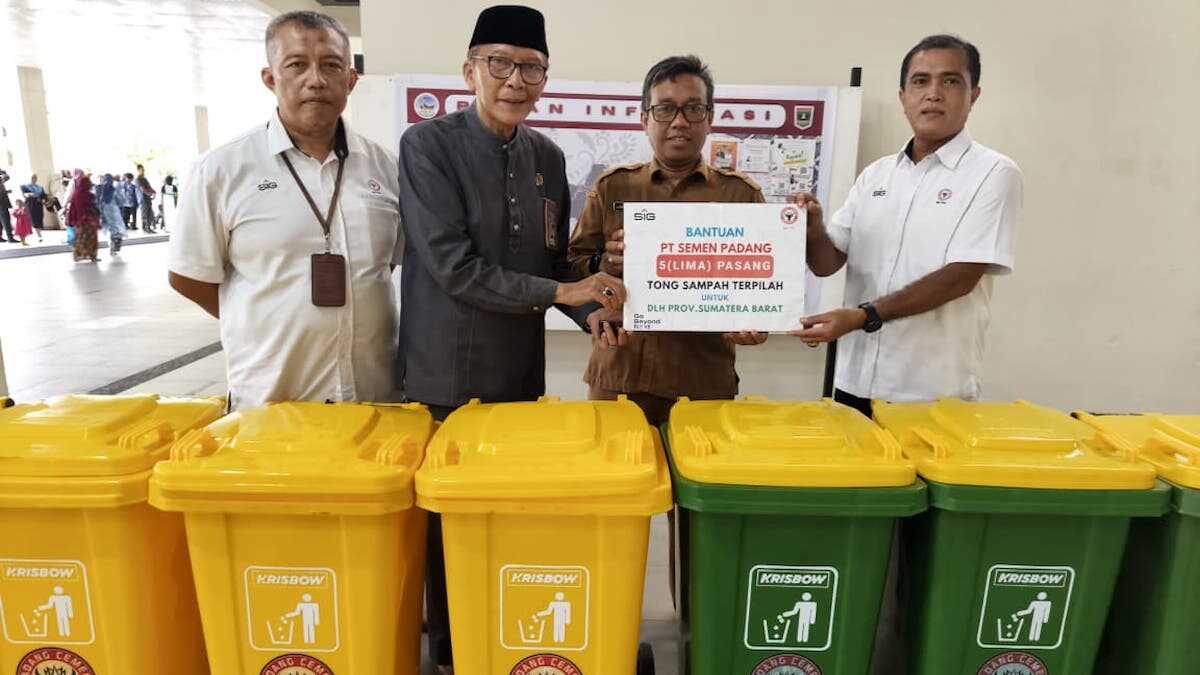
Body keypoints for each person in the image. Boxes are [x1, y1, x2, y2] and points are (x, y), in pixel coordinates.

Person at [394, 7, 623, 671]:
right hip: (444, 379)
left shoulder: (547, 158)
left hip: (519, 382)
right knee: (448, 530)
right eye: (500, 63)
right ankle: (453, 652)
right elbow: (452, 266)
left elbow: (552, 268)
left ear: (545, 78)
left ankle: (501, 640)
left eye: (531, 67)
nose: (515, 79)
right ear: (469, 70)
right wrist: (565, 294)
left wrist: (595, 312)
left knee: (511, 519)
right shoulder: (427, 147)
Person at [168, 10, 403, 412]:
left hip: (372, 398)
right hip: (271, 401)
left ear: (350, 80)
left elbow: (388, 267)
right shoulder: (223, 170)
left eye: (331, 65)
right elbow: (189, 277)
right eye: (297, 65)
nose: (316, 79)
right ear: (270, 78)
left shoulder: (386, 167)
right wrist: (259, 320)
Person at [791, 33, 1022, 416]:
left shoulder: (993, 173)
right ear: (903, 96)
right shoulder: (876, 176)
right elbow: (828, 262)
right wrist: (813, 229)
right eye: (920, 81)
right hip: (853, 381)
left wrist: (863, 317)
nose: (933, 94)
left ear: (974, 95)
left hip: (930, 391)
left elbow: (961, 276)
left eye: (950, 81)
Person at [566, 54, 768, 428]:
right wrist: (607, 265)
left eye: (693, 109)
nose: (679, 122)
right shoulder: (613, 186)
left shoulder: (740, 196)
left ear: (709, 118)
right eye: (665, 109)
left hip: (701, 381)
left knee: (698, 480)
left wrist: (756, 322)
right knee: (619, 480)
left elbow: (759, 285)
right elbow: (574, 263)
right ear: (645, 119)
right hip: (619, 374)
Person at [65, 170, 100, 262]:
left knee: (81, 238)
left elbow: (72, 208)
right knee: (91, 238)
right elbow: (93, 207)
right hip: (89, 221)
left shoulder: (76, 194)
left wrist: (72, 219)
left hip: (80, 221)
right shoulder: (89, 195)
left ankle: (77, 255)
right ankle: (92, 256)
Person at [97, 174, 126, 256]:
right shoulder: (114, 189)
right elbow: (120, 201)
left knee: (109, 231)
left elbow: (99, 202)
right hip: (114, 213)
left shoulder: (101, 189)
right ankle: (113, 248)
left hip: (105, 213)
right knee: (116, 231)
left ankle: (111, 248)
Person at [19, 174, 45, 242]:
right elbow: (25, 195)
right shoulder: (25, 186)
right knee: (34, 219)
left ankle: (38, 233)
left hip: (39, 205)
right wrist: (31, 195)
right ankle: (39, 236)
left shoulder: (40, 187)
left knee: (39, 218)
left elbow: (43, 196)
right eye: (32, 178)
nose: (34, 179)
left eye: (35, 178)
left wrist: (44, 198)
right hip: (31, 204)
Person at [135, 164, 156, 233]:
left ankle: (149, 227)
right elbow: (142, 189)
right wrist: (149, 193)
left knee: (149, 213)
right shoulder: (138, 179)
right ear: (138, 170)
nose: (143, 171)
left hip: (148, 199)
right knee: (145, 214)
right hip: (142, 199)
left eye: (143, 170)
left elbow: (149, 187)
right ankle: (145, 228)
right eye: (141, 170)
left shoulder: (144, 179)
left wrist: (153, 191)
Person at [0, 169, 14, 243]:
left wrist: (6, 191)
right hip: (2, 201)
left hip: (2, 200)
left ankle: (0, 237)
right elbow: (7, 177)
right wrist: (3, 172)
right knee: (6, 219)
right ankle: (10, 238)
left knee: (1, 220)